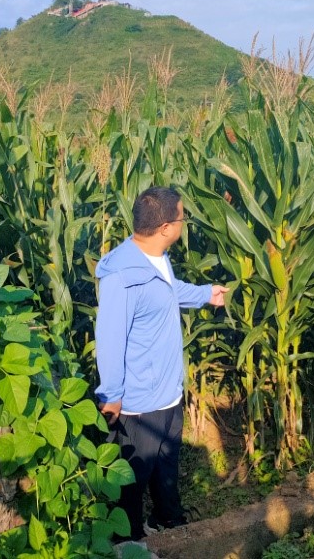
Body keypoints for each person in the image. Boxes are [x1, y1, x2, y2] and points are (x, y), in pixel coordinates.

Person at [95, 186, 229, 541]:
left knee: (167, 465)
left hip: (168, 391)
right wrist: (112, 393)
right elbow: (109, 339)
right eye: (183, 217)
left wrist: (204, 294)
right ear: (167, 227)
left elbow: (169, 291)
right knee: (134, 477)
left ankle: (169, 522)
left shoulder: (155, 258)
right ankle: (130, 540)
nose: (184, 223)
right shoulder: (122, 276)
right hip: (140, 401)